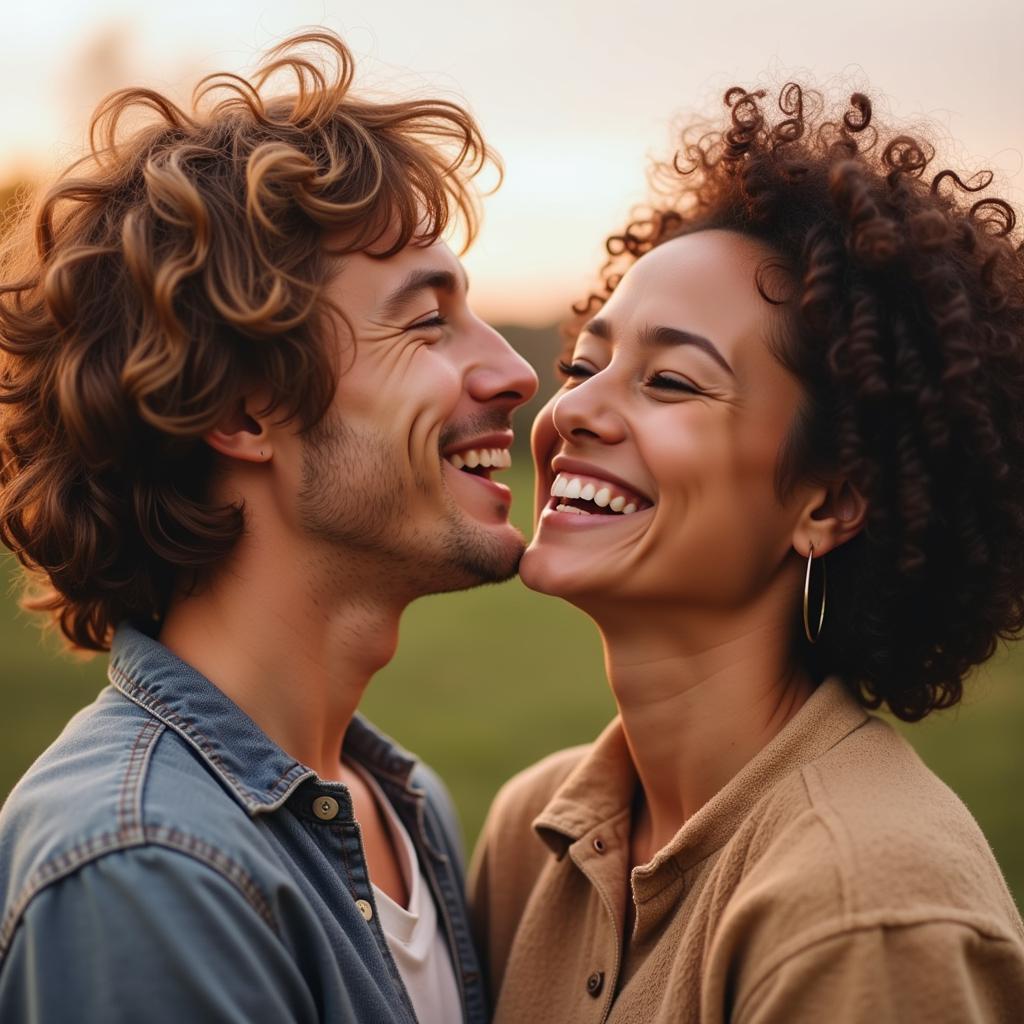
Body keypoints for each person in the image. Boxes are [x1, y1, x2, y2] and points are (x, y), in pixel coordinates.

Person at [0, 30, 537, 1024]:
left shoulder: (403, 802)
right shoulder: (145, 868)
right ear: (245, 413)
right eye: (426, 323)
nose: (515, 373)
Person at [470, 83, 1024, 1022]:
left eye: (673, 381)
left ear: (829, 502)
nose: (573, 411)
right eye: (583, 365)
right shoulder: (533, 833)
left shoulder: (866, 915)